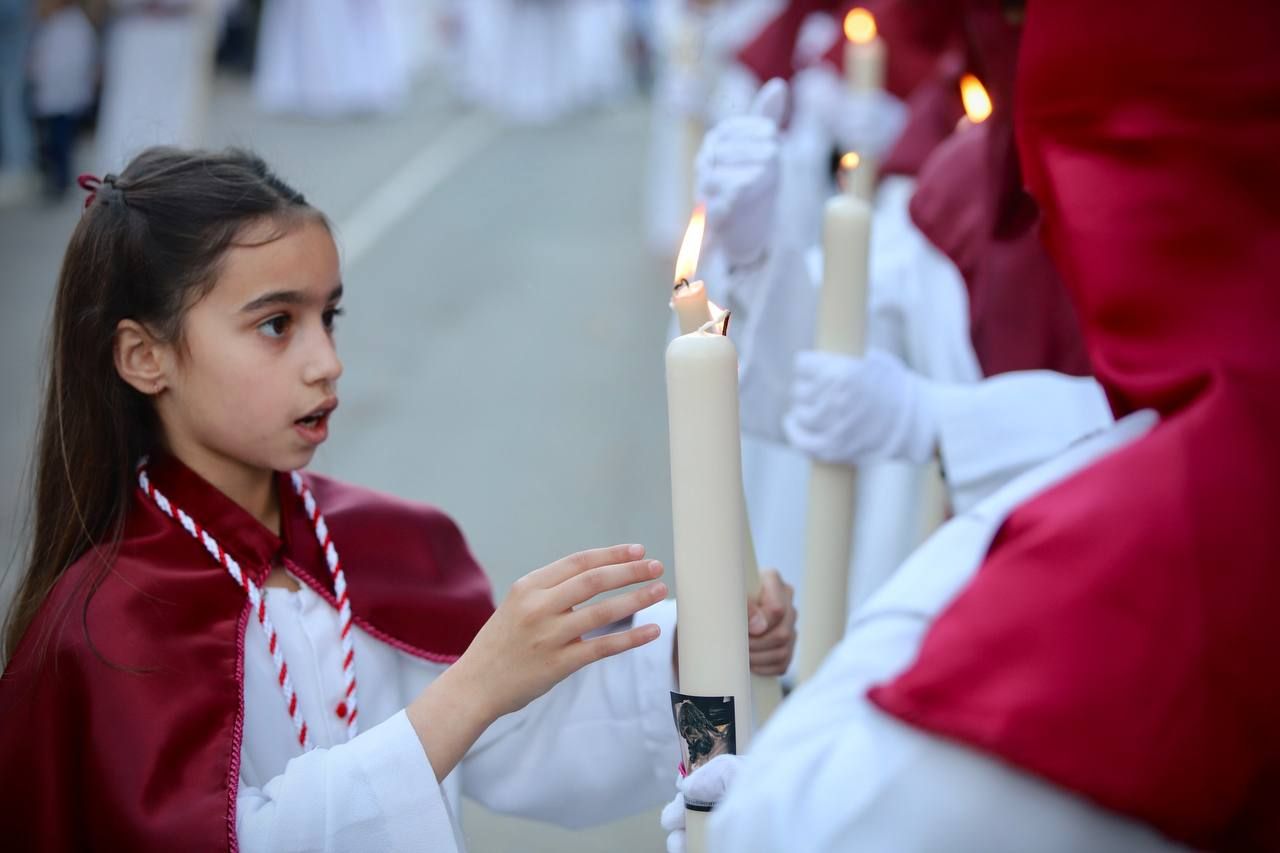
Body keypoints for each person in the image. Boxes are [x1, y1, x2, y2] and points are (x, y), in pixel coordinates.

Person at [0, 146, 797, 850]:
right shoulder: (105, 622)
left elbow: (518, 740)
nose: (326, 361)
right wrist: (475, 683)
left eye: (329, 316)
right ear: (145, 356)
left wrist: (692, 653)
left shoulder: (377, 541)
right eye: (277, 324)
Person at [677, 0, 1280, 848]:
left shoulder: (1204, 510)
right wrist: (759, 251)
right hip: (943, 614)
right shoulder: (964, 186)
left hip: (1026, 652)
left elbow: (1186, 426)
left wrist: (947, 421)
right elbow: (810, 389)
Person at [28, 0, 98, 198]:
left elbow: (80, 61)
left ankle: (61, 181)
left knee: (62, 141)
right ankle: (54, 178)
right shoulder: (50, 24)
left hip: (65, 97)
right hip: (50, 96)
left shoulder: (76, 25)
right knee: (50, 142)